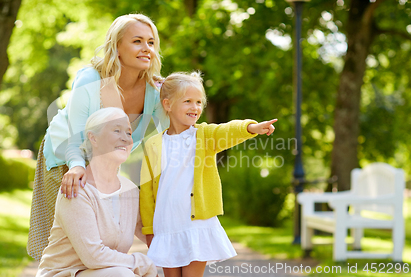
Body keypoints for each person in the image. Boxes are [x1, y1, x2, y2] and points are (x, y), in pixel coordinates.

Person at [28, 13, 169, 260]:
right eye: (137, 41)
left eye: (151, 42)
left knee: (99, 239)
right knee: (65, 246)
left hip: (103, 165)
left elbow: (169, 134)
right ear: (116, 46)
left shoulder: (154, 92)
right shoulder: (90, 79)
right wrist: (75, 167)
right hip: (66, 158)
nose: (146, 48)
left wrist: (174, 94)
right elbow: (75, 136)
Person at [139, 72, 277, 277]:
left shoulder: (204, 136)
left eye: (198, 102)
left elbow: (227, 130)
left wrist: (252, 127)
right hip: (166, 226)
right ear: (167, 105)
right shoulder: (152, 144)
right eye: (187, 101)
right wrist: (149, 229)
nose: (195, 107)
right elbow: (146, 191)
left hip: (196, 225)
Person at [37, 107, 157, 277]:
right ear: (93, 138)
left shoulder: (130, 190)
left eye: (129, 133)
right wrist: (142, 263)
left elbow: (150, 233)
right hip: (64, 273)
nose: (125, 138)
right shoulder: (76, 189)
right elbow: (94, 257)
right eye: (116, 130)